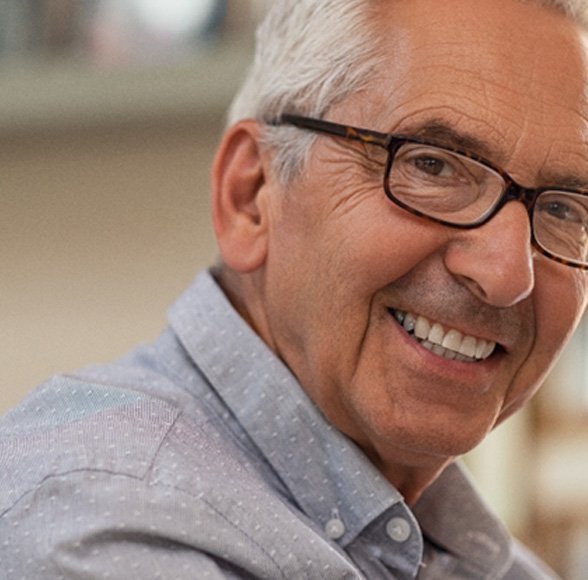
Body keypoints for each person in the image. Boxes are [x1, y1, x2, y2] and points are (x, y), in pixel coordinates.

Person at [2, 0, 588, 577]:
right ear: (251, 195)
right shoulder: (104, 521)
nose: (508, 275)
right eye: (432, 166)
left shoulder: (482, 561)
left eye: (565, 208)